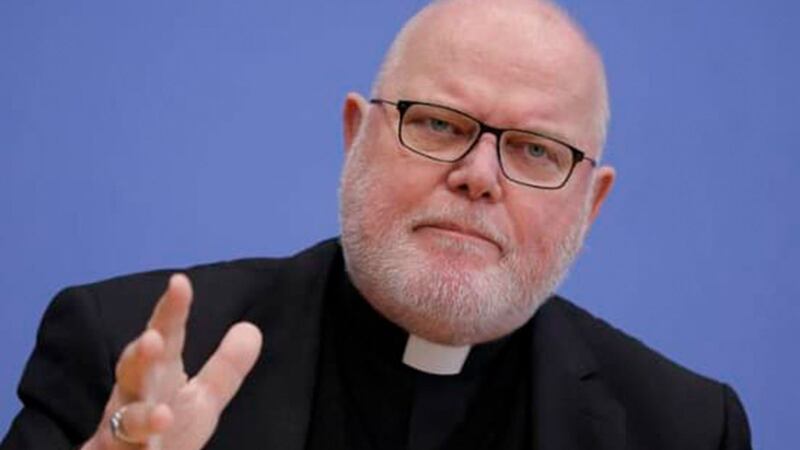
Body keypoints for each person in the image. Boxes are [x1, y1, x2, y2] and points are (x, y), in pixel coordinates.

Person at [2, 0, 752, 449]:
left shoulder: (685, 429)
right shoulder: (123, 353)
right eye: (438, 124)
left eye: (535, 150)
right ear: (355, 134)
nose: (479, 176)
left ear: (591, 204)